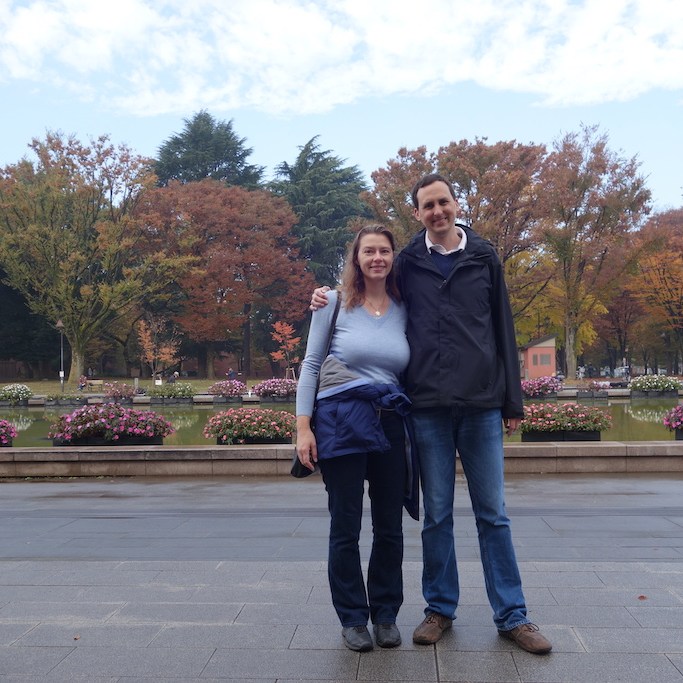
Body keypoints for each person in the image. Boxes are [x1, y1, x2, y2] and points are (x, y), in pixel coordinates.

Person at [311, 174, 552, 655]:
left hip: (481, 403)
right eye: (428, 205)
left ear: (456, 204)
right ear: (417, 213)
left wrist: (513, 401)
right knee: (436, 515)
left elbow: (503, 328)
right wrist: (325, 295)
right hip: (426, 407)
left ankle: (513, 615)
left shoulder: (484, 257)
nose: (437, 211)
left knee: (493, 514)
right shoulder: (407, 263)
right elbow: (369, 292)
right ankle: (439, 608)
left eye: (443, 202)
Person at [296, 224, 411, 652]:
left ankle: (385, 613)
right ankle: (352, 617)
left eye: (384, 251)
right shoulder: (333, 303)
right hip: (342, 421)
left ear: (393, 257)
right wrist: (303, 427)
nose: (377, 258)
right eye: (369, 251)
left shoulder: (405, 306)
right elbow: (311, 365)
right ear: (357, 258)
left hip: (391, 423)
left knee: (390, 525)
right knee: (345, 525)